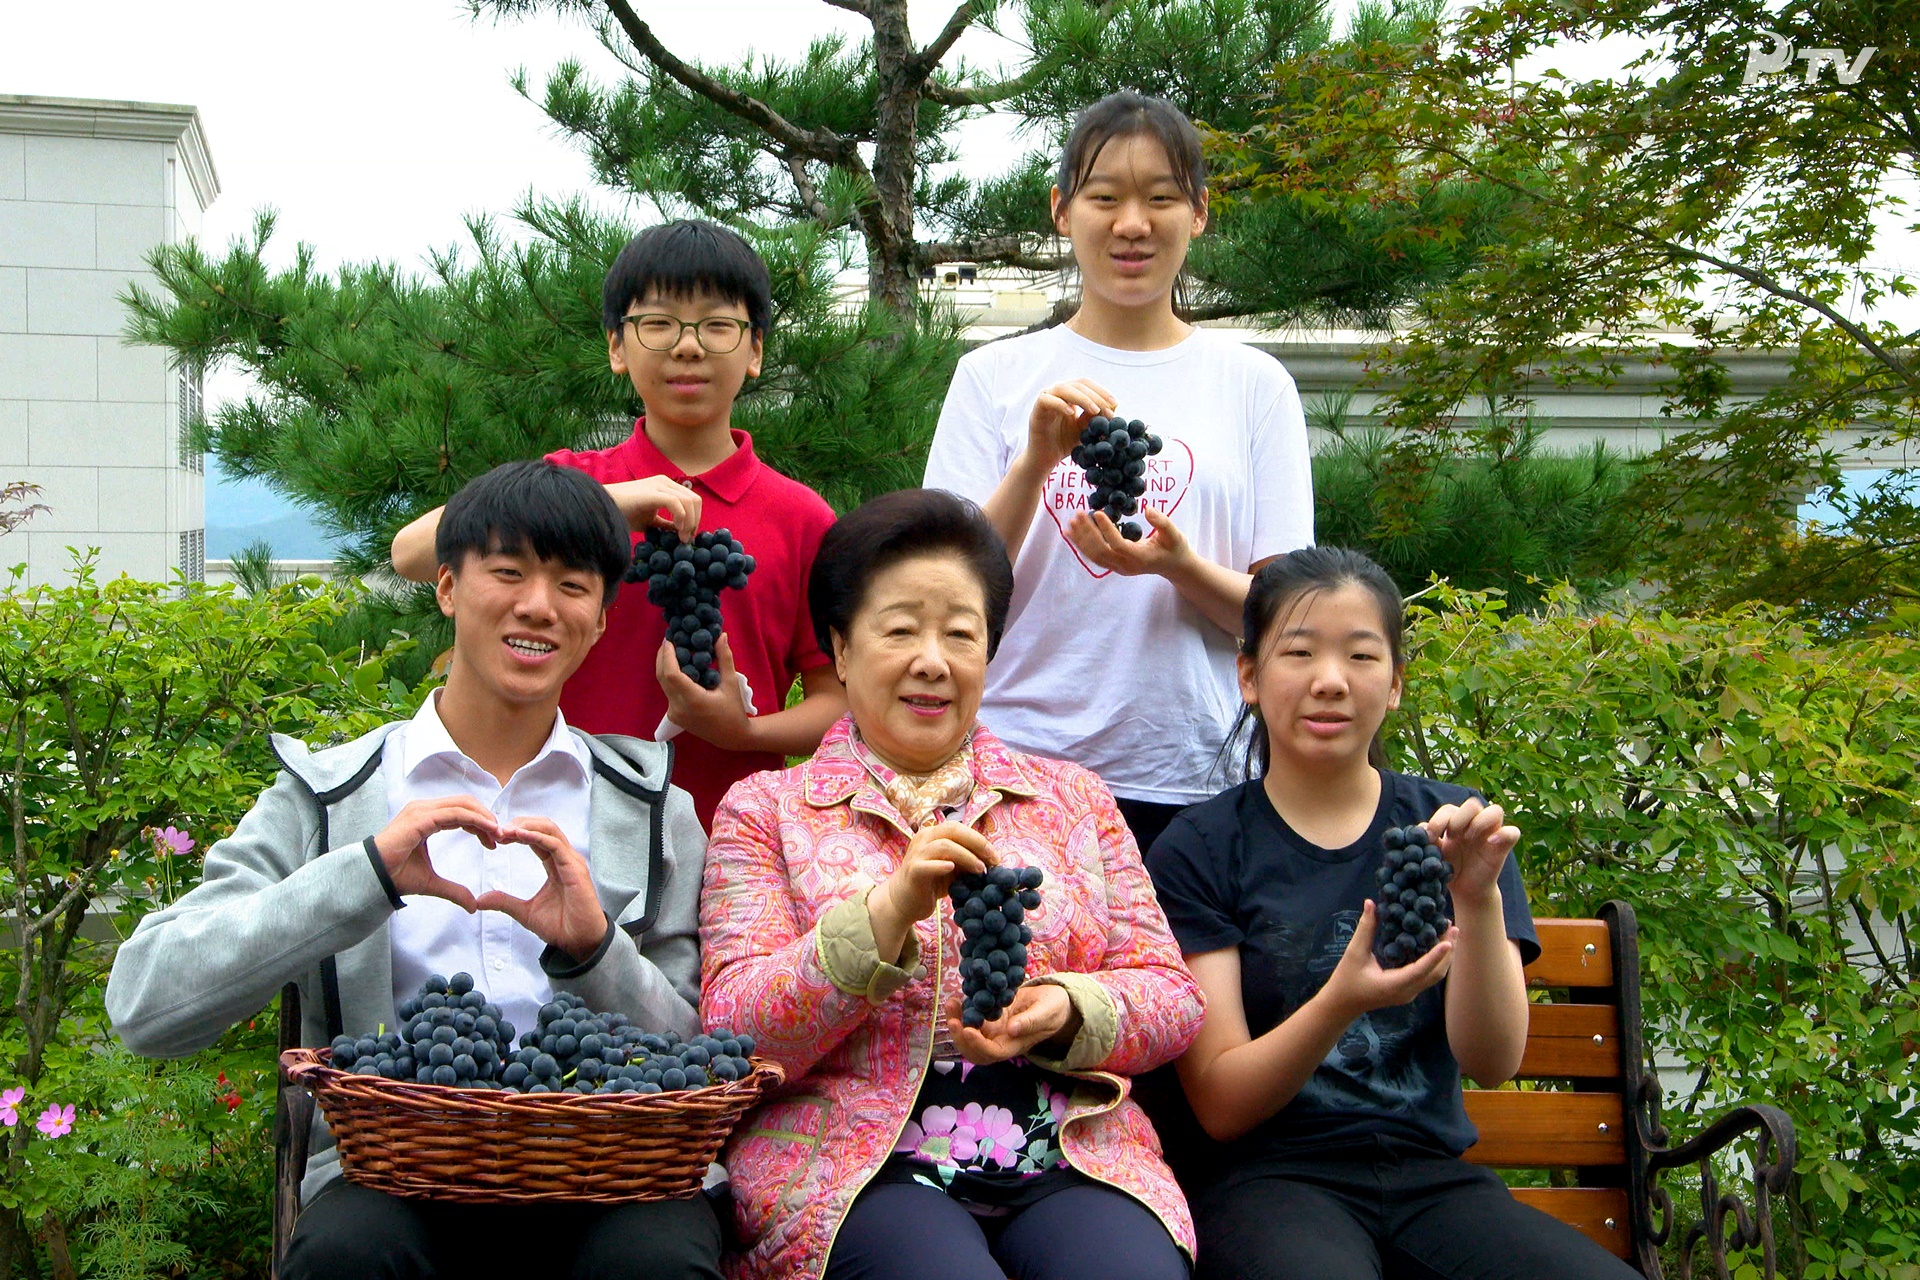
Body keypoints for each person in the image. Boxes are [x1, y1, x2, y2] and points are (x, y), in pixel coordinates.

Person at [106, 460, 721, 1280]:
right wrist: (361, 879)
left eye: (573, 585)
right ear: (446, 589)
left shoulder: (652, 806)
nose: (538, 606)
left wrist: (596, 951)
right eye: (507, 572)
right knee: (350, 1258)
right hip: (387, 1178)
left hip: (612, 1175)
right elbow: (145, 1004)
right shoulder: (332, 796)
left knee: (657, 1267)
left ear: (602, 622)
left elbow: (697, 1053)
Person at [699, 488, 1204, 1280]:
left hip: (1071, 1153)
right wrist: (886, 914)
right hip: (854, 1168)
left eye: (961, 633)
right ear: (840, 645)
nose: (932, 660)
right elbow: (738, 1031)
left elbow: (1171, 997)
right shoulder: (767, 810)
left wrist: (1070, 1010)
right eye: (899, 629)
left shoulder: (1075, 798)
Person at [1141, 547, 1643, 1280]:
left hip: (1430, 1175)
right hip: (1269, 1183)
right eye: (1300, 652)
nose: (1331, 681)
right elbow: (1220, 1103)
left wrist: (1473, 898)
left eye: (1362, 656)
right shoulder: (1203, 848)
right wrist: (1340, 1003)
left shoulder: (1450, 830)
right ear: (1249, 676)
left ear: (1397, 682)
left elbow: (1494, 1060)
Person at [922, 91, 1314, 856]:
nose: (1132, 224)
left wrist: (1180, 568)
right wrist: (1036, 462)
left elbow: (1289, 623)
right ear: (1062, 210)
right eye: (1105, 198)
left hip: (1196, 775)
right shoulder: (993, 377)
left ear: (1199, 212)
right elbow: (945, 591)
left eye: (1161, 199)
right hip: (1012, 767)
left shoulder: (1254, 384)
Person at [392, 219, 845, 831]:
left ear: (755, 349)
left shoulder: (802, 519)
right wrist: (605, 501)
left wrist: (743, 732)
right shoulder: (567, 485)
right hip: (557, 832)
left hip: (733, 854)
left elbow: (841, 703)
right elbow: (413, 553)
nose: (688, 347)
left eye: (717, 325)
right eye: (657, 325)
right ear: (616, 347)